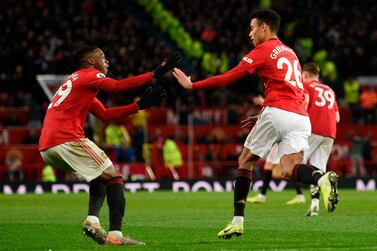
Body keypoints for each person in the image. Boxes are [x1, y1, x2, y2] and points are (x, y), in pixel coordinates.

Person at [173, 9, 339, 239]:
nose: (250, 33)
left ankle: (237, 221)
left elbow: (227, 77)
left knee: (245, 160)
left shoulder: (263, 51)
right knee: (289, 170)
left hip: (277, 112)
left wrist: (194, 86)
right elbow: (290, 89)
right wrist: (265, 112)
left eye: (252, 28)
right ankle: (320, 178)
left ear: (264, 27)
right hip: (300, 117)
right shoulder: (291, 53)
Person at [39, 45, 179, 245]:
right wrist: (154, 73)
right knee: (114, 177)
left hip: (47, 147)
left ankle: (93, 221)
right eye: (102, 56)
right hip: (66, 139)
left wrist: (138, 106)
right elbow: (117, 86)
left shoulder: (75, 83)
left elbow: (105, 115)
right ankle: (116, 235)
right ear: (90, 61)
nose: (107, 61)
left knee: (100, 175)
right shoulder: (88, 75)